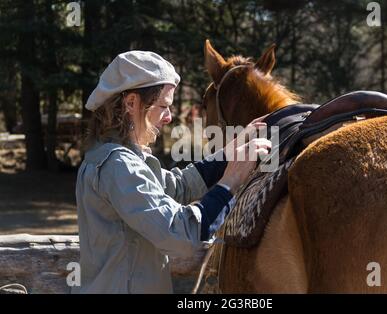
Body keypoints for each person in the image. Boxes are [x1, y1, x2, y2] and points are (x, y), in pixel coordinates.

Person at [73, 51, 271, 293]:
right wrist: (230, 182)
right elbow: (182, 235)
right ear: (131, 103)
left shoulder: (113, 156)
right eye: (163, 106)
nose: (168, 118)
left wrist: (229, 153)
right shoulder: (119, 165)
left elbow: (177, 187)